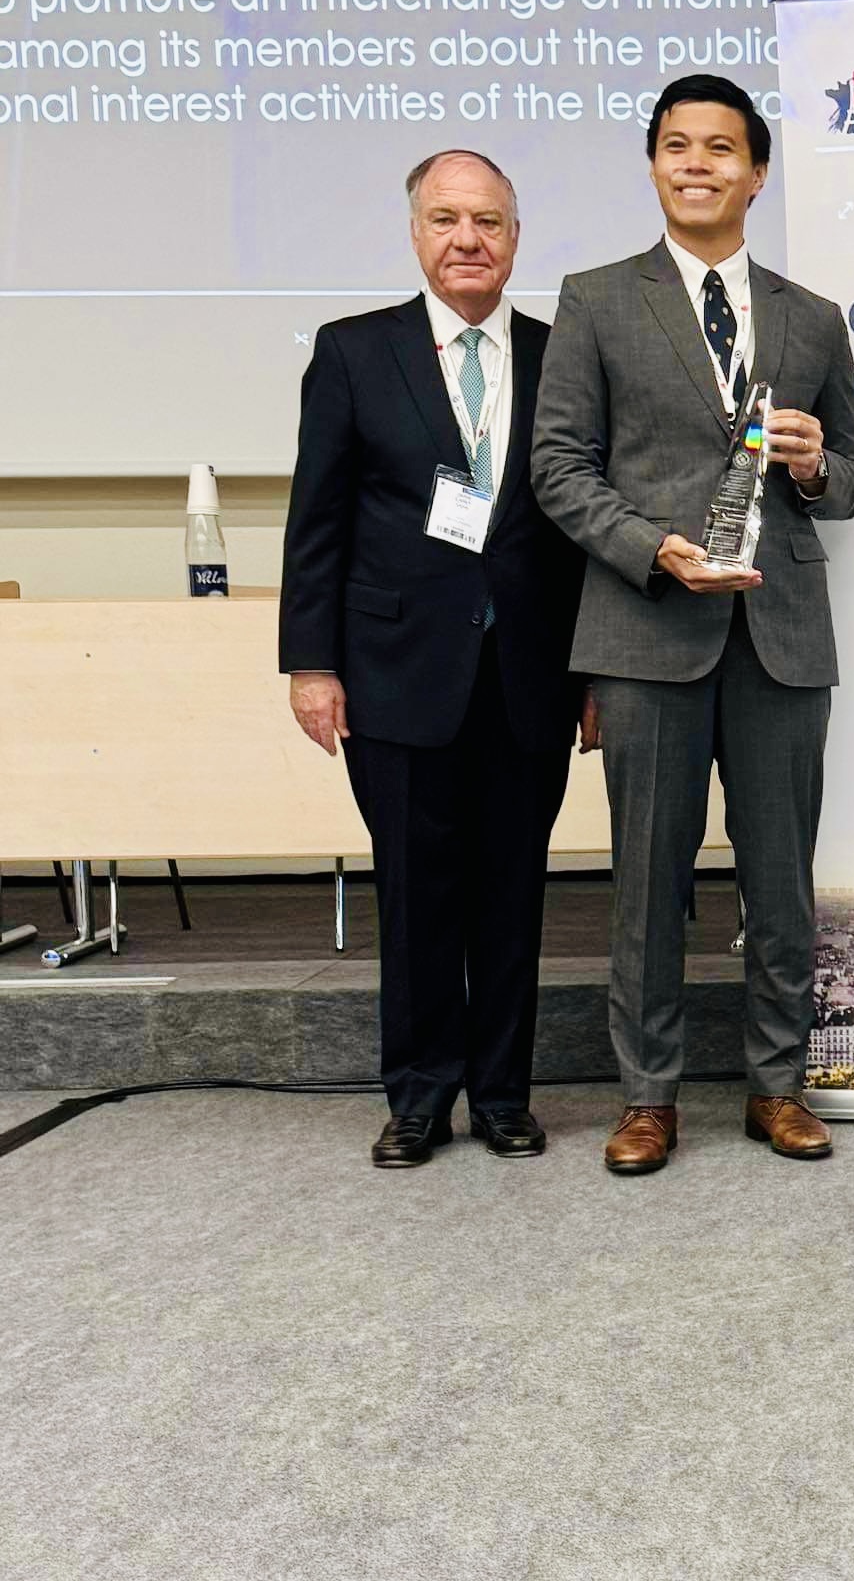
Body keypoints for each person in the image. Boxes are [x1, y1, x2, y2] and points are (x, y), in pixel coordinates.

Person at [532, 73, 854, 1174]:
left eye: (720, 148)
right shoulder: (596, 299)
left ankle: (778, 1086)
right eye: (676, 145)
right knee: (646, 884)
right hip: (646, 630)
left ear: (756, 172)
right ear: (652, 165)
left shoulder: (810, 316)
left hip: (780, 635)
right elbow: (558, 467)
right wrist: (652, 548)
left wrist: (815, 467)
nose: (696, 164)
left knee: (782, 883)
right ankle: (647, 1098)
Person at [280, 150, 585, 1168]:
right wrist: (311, 662)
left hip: (530, 674)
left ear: (515, 238)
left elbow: (583, 527)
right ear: (416, 233)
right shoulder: (354, 351)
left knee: (512, 894)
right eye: (447, 219)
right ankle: (417, 1098)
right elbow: (317, 519)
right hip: (396, 669)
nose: (468, 240)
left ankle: (502, 1094)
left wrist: (592, 672)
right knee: (414, 897)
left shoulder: (561, 355)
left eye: (489, 221)